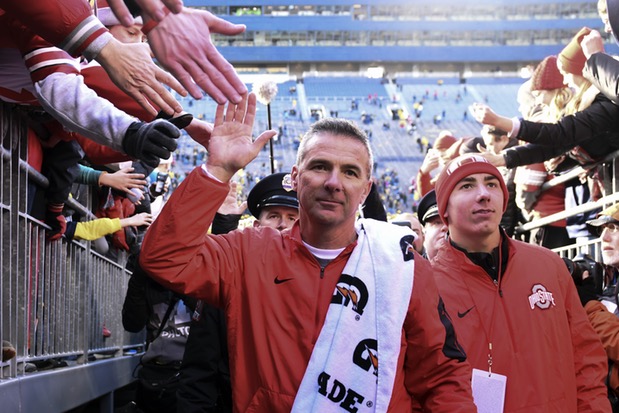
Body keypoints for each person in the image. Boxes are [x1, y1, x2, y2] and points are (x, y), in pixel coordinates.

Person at [140, 94, 477, 412]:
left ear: (366, 189)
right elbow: (164, 259)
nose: (333, 182)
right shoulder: (247, 253)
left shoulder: (403, 267)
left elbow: (442, 376)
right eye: (320, 166)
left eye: (350, 172)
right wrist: (218, 171)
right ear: (295, 178)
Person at [430, 153, 611, 412]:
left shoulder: (549, 265)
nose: (484, 194)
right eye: (467, 185)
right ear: (444, 207)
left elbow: (586, 356)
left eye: (492, 184)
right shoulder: (427, 285)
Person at [177, 173, 299, 413]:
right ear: (256, 225)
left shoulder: (325, 281)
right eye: (274, 216)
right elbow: (199, 375)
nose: (283, 224)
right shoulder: (231, 282)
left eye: (293, 218)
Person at [582, 203, 619, 405]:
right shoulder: (610, 283)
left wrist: (590, 306)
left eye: (614, 229)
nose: (604, 237)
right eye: (602, 230)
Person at [416, 189, 448, 260]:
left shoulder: (476, 268)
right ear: (424, 230)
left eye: (451, 222)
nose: (445, 227)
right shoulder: (410, 270)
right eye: (437, 223)